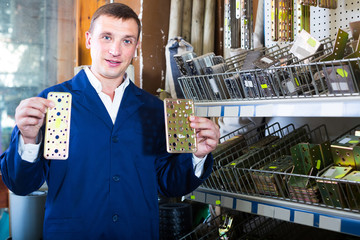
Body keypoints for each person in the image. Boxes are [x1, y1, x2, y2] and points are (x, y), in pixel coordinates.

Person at [0, 3, 220, 240]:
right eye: (106, 37)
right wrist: (29, 139)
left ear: (136, 47)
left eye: (127, 41)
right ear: (89, 40)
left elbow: (169, 184)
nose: (115, 50)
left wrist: (197, 156)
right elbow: (21, 184)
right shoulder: (51, 103)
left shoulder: (154, 109)